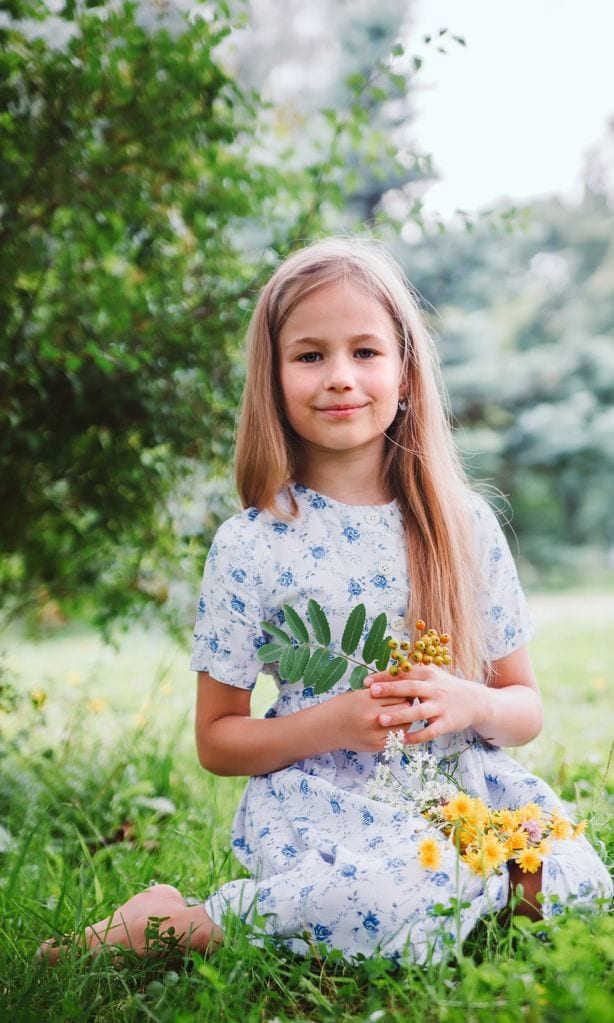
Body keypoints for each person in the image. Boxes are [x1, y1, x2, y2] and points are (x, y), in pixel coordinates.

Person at [40, 237, 612, 965]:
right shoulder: (252, 544)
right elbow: (218, 739)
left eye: (366, 352)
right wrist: (333, 722)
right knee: (402, 884)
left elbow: (524, 706)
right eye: (310, 355)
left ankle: (419, 902)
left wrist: (470, 704)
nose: (340, 377)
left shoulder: (462, 524)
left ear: (406, 373)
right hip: (325, 803)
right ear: (273, 378)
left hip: (456, 785)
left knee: (572, 878)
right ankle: (173, 926)